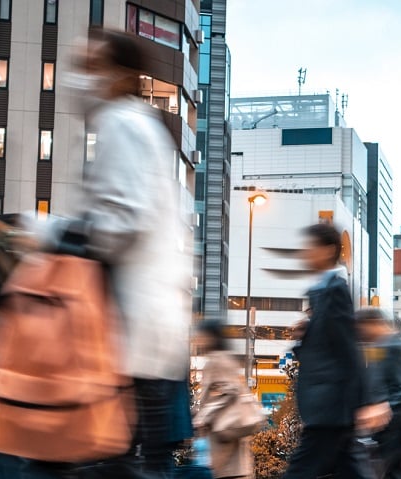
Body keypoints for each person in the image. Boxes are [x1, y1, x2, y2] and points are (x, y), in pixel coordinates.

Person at [38, 28, 195, 477]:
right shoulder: (133, 124)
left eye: (91, 67)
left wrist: (52, 235)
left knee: (120, 459)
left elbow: (123, 221)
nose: (80, 78)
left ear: (121, 75)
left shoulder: (122, 124)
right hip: (142, 329)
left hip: (130, 331)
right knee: (132, 459)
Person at [282, 223, 384, 479]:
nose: (305, 253)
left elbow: (348, 349)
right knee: (351, 471)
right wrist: (306, 336)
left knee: (300, 471)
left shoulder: (335, 291)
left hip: (330, 407)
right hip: (331, 407)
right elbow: (328, 348)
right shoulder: (322, 292)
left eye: (310, 248)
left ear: (327, 251)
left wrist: (367, 402)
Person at [356, 308, 401, 479]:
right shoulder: (380, 346)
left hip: (391, 429)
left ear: (373, 323)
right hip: (388, 429)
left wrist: (384, 411)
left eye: (361, 329)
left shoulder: (393, 346)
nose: (361, 335)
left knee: (373, 472)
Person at [193, 320, 252, 479]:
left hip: (222, 433)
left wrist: (203, 416)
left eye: (201, 336)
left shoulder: (216, 361)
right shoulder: (227, 358)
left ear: (211, 337)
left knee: (224, 471)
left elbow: (229, 391)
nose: (197, 339)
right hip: (229, 431)